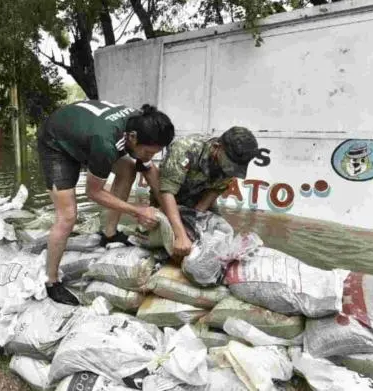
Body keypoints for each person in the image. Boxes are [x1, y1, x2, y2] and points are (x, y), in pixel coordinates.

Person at [37, 100, 175, 305]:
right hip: (56, 142)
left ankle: (109, 234)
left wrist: (171, 212)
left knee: (128, 169)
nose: (149, 157)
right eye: (148, 152)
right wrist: (137, 210)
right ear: (133, 138)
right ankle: (51, 281)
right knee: (67, 216)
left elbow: (150, 171)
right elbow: (93, 193)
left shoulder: (142, 125)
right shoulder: (105, 143)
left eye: (154, 153)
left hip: (84, 134)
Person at [155, 127, 259, 261]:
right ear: (217, 147)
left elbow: (214, 191)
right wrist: (180, 234)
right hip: (169, 197)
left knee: (216, 235)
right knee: (169, 239)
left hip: (198, 197)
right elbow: (167, 191)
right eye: (230, 165)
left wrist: (195, 221)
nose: (231, 170)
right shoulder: (185, 148)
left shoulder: (231, 166)